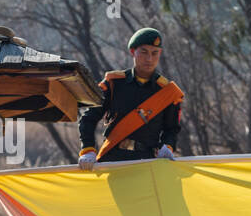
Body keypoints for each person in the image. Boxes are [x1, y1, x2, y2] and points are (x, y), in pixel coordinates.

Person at [77, 27, 185, 169]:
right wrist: (88, 149)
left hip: (148, 162)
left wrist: (167, 146)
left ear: (160, 54)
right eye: (144, 52)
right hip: (113, 160)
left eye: (154, 53)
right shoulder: (113, 83)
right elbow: (88, 118)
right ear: (133, 52)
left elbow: (172, 129)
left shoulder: (167, 92)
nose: (149, 59)